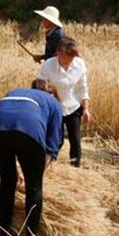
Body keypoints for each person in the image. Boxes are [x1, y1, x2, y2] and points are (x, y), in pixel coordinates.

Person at [0, 79, 63, 236]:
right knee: (33, 187)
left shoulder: (16, 92)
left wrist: (20, 167)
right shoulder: (54, 103)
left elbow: (11, 124)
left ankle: (4, 233)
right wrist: (38, 172)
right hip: (30, 126)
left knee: (7, 181)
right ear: (52, 94)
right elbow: (52, 146)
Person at [38, 37, 89, 167]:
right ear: (59, 52)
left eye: (73, 57)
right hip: (55, 108)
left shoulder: (79, 64)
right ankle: (45, 166)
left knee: (75, 140)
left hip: (73, 106)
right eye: (69, 56)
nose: (71, 60)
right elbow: (40, 85)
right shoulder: (48, 65)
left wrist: (86, 108)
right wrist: (49, 93)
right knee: (57, 140)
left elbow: (83, 87)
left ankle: (75, 168)